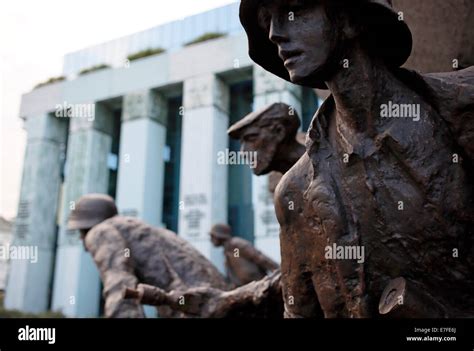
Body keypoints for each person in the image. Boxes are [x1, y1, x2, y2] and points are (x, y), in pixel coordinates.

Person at [239, 0, 474, 317]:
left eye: (296, 8)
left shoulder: (463, 108)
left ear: (352, 20)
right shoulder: (294, 194)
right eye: (268, 20)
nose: (273, 33)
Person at [67, 193, 229, 318]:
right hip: (216, 303)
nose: (83, 241)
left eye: (81, 232)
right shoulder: (140, 228)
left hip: (194, 307)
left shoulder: (101, 232)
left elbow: (120, 288)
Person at [228, 102, 306, 176]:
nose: (243, 152)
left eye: (252, 138)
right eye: (242, 143)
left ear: (279, 132)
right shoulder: (291, 177)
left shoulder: (315, 165)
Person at [209, 224, 279, 286]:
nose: (211, 239)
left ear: (220, 236)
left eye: (213, 236)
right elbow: (237, 261)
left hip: (257, 283)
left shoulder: (235, 245)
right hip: (245, 287)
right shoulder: (229, 250)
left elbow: (259, 257)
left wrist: (278, 271)